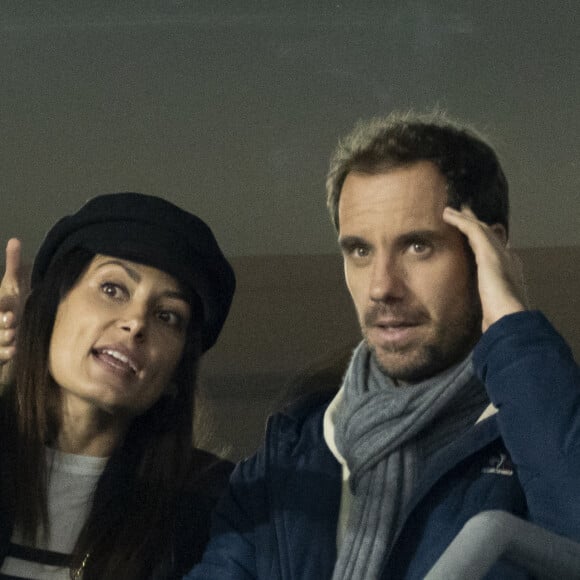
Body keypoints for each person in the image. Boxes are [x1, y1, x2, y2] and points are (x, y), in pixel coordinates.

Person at [186, 111, 580, 579]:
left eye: (417, 246)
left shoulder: (541, 428)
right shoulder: (288, 458)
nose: (381, 287)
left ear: (486, 252)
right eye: (359, 250)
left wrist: (512, 325)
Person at [0, 192, 236, 579]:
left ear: (177, 371)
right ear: (51, 307)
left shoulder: (212, 510)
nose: (136, 322)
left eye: (167, 316)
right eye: (113, 290)